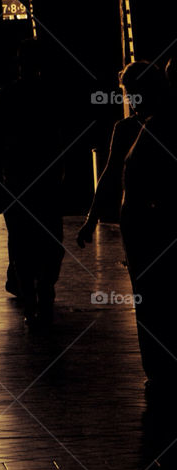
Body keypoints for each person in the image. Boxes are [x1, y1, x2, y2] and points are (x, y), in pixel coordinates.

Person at [0, 39, 65, 324]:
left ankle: (31, 299)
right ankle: (44, 289)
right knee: (52, 240)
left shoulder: (4, 96)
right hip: (46, 180)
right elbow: (60, 139)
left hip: (15, 180)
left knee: (20, 242)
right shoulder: (52, 95)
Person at [119, 58, 177, 395]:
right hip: (148, 231)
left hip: (151, 233)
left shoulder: (157, 129)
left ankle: (160, 369)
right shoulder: (150, 126)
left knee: (154, 302)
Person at [78, 61, 168, 249]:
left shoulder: (129, 128)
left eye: (134, 91)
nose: (131, 98)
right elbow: (110, 174)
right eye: (128, 92)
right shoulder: (129, 128)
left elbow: (110, 174)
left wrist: (91, 220)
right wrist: (91, 220)